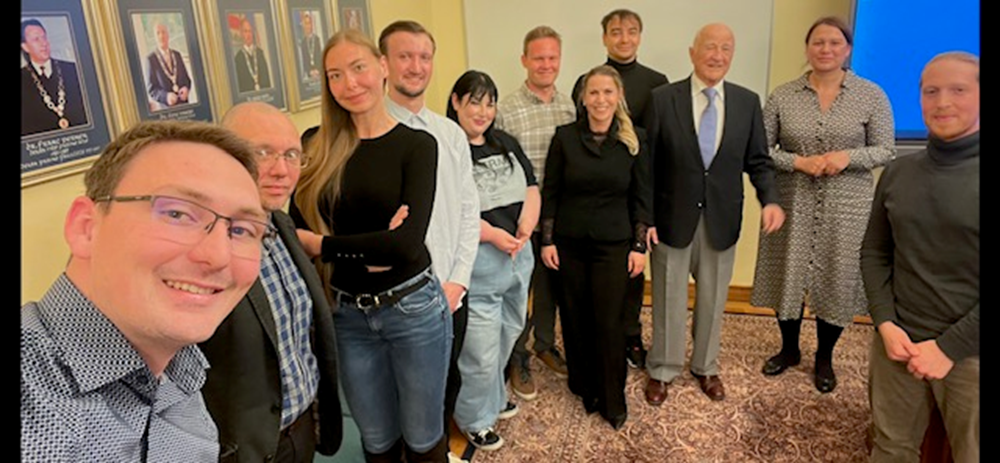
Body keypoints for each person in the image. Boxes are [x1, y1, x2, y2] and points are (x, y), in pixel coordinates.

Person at [21, 120, 269, 462]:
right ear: (86, 228)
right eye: (178, 214)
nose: (218, 256)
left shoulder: (178, 365)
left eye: (240, 230)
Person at [291, 29, 451, 463]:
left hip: (412, 309)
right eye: (335, 75)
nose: (349, 83)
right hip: (347, 315)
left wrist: (326, 244)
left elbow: (404, 247)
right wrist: (373, 243)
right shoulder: (315, 145)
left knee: (422, 440)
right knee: (377, 442)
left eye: (358, 67)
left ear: (382, 67)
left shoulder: (417, 145)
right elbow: (296, 234)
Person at [749, 16, 895, 393]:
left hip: (848, 206)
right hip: (792, 199)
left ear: (847, 49)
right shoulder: (783, 95)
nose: (826, 49)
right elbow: (760, 150)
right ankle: (789, 349)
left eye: (834, 43)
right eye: (818, 42)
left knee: (837, 278)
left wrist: (848, 157)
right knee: (788, 275)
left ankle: (824, 357)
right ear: (807, 48)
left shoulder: (871, 95)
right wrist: (798, 162)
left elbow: (885, 149)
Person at [643, 23, 785, 405]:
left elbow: (759, 160)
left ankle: (706, 367)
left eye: (726, 48)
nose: (717, 55)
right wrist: (646, 219)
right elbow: (647, 165)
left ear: (732, 55)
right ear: (693, 52)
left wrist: (770, 200)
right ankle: (663, 368)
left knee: (713, 300)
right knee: (668, 299)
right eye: (710, 46)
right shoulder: (663, 99)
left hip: (722, 219)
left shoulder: (746, 102)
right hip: (671, 218)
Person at [196, 102, 343, 463]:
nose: (281, 170)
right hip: (242, 449)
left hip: (301, 429)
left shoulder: (282, 225)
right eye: (262, 153)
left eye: (292, 155)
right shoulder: (200, 246)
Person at [861, 51, 979, 463]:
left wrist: (947, 349)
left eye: (958, 90)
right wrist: (885, 323)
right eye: (931, 91)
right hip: (898, 342)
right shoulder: (898, 173)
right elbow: (875, 251)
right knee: (891, 448)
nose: (942, 102)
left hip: (970, 353)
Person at [378, 20, 481, 463]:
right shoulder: (370, 133)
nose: (416, 66)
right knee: (400, 397)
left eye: (424, 57)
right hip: (398, 297)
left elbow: (468, 212)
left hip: (451, 292)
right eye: (405, 56)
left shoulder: (450, 133)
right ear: (383, 63)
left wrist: (458, 281)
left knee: (446, 384)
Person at [541, 65, 651, 430]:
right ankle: (584, 386)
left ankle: (612, 397)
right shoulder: (565, 138)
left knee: (609, 322)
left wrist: (639, 246)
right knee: (574, 317)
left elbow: (642, 197)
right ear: (583, 99)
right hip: (569, 244)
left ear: (618, 97)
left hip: (614, 246)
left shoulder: (633, 140)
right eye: (594, 93)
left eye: (607, 92)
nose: (601, 99)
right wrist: (547, 240)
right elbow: (551, 192)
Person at [570, 8, 669, 370]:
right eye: (615, 32)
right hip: (596, 194)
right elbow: (579, 139)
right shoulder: (587, 81)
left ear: (640, 36)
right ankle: (596, 337)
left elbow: (655, 147)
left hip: (634, 193)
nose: (624, 38)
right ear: (604, 37)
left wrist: (649, 212)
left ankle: (631, 334)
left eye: (631, 31)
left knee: (632, 271)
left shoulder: (658, 83)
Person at [446, 70, 538, 451]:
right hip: (481, 260)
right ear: (456, 102)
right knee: (479, 351)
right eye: (475, 102)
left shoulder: (506, 143)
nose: (483, 111)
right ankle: (474, 419)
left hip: (518, 256)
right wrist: (492, 234)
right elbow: (450, 210)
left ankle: (495, 399)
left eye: (490, 103)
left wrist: (527, 224)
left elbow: (531, 186)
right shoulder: (448, 149)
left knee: (509, 333)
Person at [495, 25, 576, 401]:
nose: (546, 64)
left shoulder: (570, 107)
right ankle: (518, 356)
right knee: (518, 293)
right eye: (538, 57)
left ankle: (545, 344)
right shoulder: (506, 111)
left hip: (560, 218)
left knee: (550, 288)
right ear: (524, 60)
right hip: (520, 221)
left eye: (552, 57)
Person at [21, 18, 87, 136]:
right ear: (25, 47)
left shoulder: (73, 70)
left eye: (44, 37)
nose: (44, 43)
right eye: (36, 39)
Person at [146, 22, 193, 110]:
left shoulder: (177, 55)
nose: (161, 36)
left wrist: (186, 88)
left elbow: (187, 80)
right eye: (158, 33)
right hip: (167, 110)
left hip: (185, 107)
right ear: (155, 37)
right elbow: (152, 90)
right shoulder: (151, 60)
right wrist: (166, 96)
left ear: (168, 35)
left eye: (163, 32)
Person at [234, 17, 271, 93]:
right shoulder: (238, 58)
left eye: (250, 31)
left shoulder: (259, 53)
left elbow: (266, 79)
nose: (248, 35)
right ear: (241, 33)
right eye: (245, 31)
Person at [299, 12, 322, 81]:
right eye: (306, 24)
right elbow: (304, 60)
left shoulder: (316, 39)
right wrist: (309, 71)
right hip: (309, 74)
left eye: (309, 23)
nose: (308, 26)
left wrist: (318, 70)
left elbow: (319, 56)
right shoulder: (303, 43)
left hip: (318, 72)